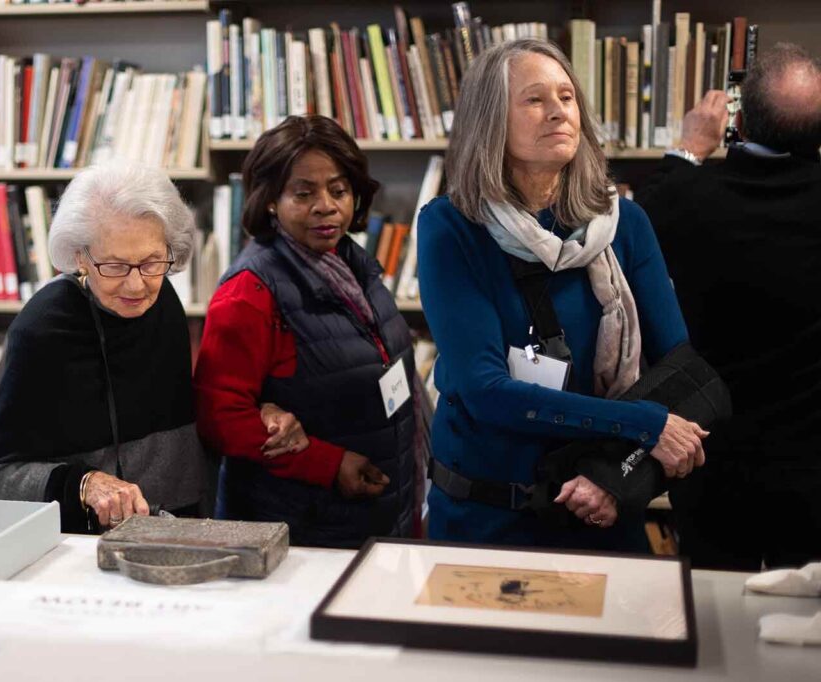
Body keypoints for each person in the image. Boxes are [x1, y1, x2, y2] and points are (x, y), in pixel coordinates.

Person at [417, 39, 706, 551]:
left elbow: (678, 372)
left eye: (567, 97)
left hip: (602, 508)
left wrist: (614, 476)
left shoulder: (625, 224)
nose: (558, 112)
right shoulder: (452, 226)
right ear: (490, 122)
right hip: (485, 520)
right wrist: (641, 425)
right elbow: (485, 390)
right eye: (534, 100)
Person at [0, 163, 304, 533]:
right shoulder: (44, 328)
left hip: (180, 531)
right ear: (81, 256)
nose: (136, 286)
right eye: (114, 266)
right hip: (87, 552)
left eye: (151, 262)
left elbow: (186, 429)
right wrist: (85, 484)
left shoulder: (163, 302)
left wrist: (257, 410)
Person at [194, 115, 419, 549]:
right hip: (299, 530)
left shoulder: (355, 264)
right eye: (303, 193)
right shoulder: (250, 290)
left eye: (338, 190)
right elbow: (219, 417)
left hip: (373, 513)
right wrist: (328, 464)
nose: (326, 206)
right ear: (271, 200)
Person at [636, 44, 821, 569]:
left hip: (712, 459)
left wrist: (690, 146)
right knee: (806, 628)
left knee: (716, 617)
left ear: (737, 121)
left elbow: (633, 227)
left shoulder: (688, 198)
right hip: (810, 465)